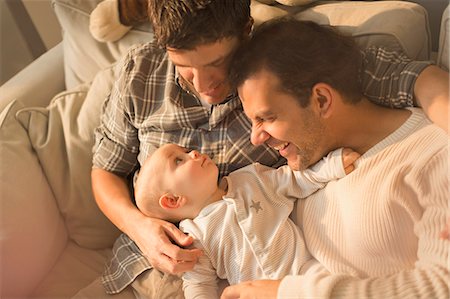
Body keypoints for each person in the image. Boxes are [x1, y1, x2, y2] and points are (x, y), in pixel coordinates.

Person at [89, 0, 449, 297]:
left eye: (216, 65)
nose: (204, 86)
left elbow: (414, 78)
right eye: (184, 68)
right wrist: (140, 227)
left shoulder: (281, 66)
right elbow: (105, 169)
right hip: (139, 264)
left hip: (241, 274)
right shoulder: (139, 70)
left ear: (245, 32)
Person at [220, 18, 449, 299]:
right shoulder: (310, 155)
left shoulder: (435, 156)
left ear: (322, 101)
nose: (256, 138)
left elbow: (441, 287)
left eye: (266, 118)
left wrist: (287, 293)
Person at [128, 143, 359, 298]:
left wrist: (332, 165)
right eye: (179, 161)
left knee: (332, 289)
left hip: (304, 271)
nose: (194, 153)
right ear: (172, 200)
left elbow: (295, 179)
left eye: (187, 151)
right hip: (256, 293)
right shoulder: (193, 236)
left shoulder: (251, 178)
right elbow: (199, 283)